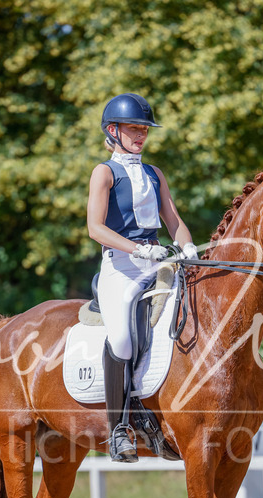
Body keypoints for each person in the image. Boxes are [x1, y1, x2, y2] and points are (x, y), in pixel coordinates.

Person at [86, 93, 198, 463]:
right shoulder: (105, 172)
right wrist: (136, 249)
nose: (141, 135)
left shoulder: (154, 173)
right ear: (113, 131)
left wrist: (189, 248)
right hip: (120, 266)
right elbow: (95, 228)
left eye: (144, 129)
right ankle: (119, 428)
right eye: (134, 129)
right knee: (121, 339)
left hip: (157, 262)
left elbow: (174, 221)